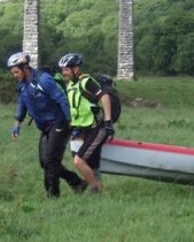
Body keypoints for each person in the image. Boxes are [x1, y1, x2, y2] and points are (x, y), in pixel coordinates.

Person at [7, 51, 86, 197]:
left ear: (25, 68)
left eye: (16, 72)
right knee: (45, 162)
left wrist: (71, 122)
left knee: (51, 160)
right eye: (13, 73)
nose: (15, 75)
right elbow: (22, 103)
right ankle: (76, 182)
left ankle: (52, 196)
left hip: (60, 122)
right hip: (45, 127)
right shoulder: (22, 85)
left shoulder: (44, 80)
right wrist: (17, 124)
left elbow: (62, 99)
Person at [58, 52, 115, 193]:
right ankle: (99, 191)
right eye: (62, 70)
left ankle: (94, 189)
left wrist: (108, 121)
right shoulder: (71, 84)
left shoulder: (86, 81)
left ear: (75, 68)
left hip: (97, 128)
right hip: (81, 128)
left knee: (78, 161)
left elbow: (105, 96)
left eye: (66, 69)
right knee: (91, 163)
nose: (63, 73)